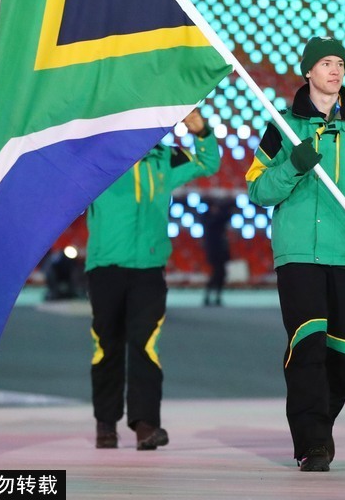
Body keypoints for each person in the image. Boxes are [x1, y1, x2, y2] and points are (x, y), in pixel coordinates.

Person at [246, 37, 345, 471]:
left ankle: (318, 425)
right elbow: (258, 189)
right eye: (326, 63)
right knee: (308, 344)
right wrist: (292, 166)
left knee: (344, 357)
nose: (335, 70)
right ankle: (311, 443)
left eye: (340, 63)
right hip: (298, 253)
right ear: (308, 72)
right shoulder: (282, 126)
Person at [85, 108, 220, 450]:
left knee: (145, 345)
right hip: (105, 266)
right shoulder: (98, 156)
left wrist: (201, 131)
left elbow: (209, 163)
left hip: (149, 268)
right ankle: (106, 423)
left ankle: (145, 424)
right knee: (107, 346)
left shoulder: (166, 158)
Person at [200, 195, 234, 307]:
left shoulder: (216, 219)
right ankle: (210, 296)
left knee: (220, 274)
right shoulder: (208, 219)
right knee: (217, 273)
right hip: (214, 250)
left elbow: (226, 217)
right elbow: (220, 219)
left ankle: (215, 296)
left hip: (221, 250)